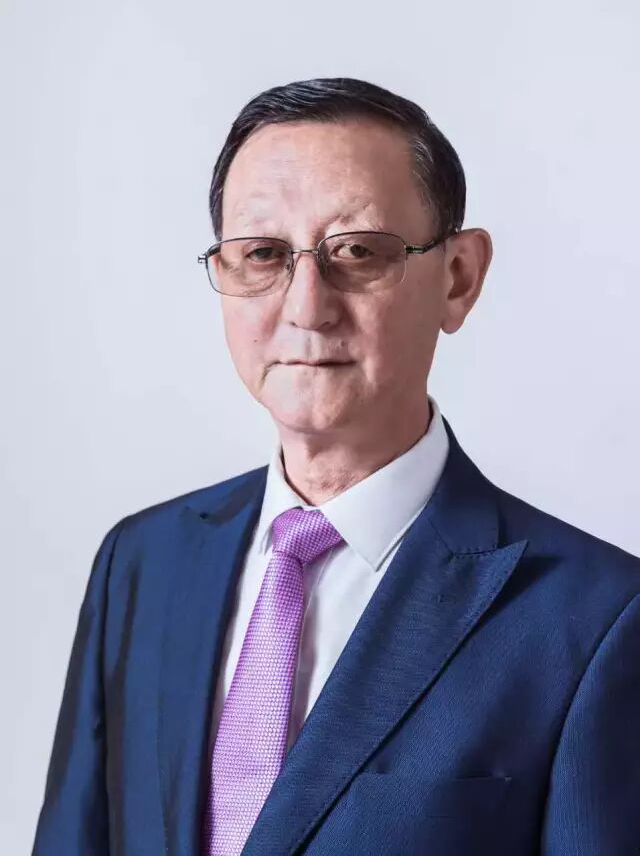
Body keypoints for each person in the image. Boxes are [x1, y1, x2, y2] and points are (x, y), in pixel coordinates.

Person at [32, 77, 640, 856]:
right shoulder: (142, 562)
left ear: (458, 277)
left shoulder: (596, 619)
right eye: (262, 254)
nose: (306, 306)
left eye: (357, 251)